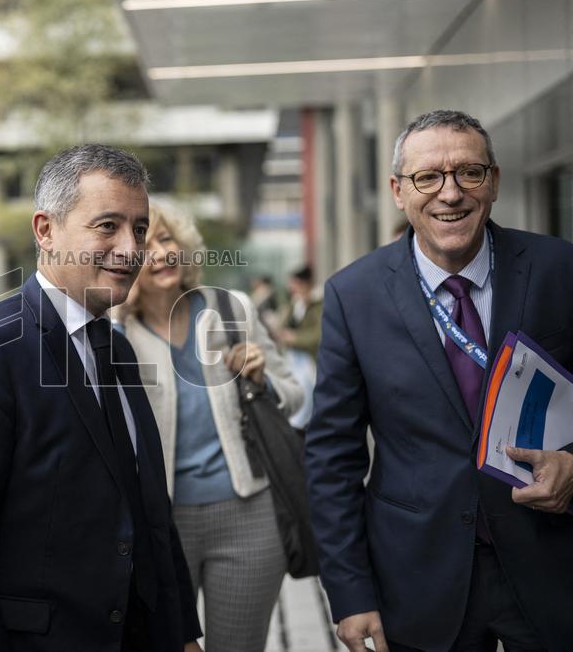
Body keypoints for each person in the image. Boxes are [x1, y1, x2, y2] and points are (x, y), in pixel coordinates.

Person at [0, 144, 203, 652]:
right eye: (107, 226)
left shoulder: (118, 349)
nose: (131, 248)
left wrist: (181, 634)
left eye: (138, 227)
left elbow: (148, 510)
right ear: (46, 230)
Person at [305, 109, 573, 652]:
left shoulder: (559, 269)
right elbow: (333, 457)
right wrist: (351, 593)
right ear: (398, 192)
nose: (450, 193)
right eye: (428, 177)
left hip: (552, 562)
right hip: (418, 576)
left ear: (493, 182)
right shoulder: (352, 296)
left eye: (469, 173)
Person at [113, 203, 303, 652]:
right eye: (146, 245)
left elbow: (295, 394)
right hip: (161, 526)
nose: (160, 253)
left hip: (247, 517)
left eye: (167, 240)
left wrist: (262, 376)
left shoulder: (229, 309)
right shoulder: (114, 333)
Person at [278, 265, 322, 428]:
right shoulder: (295, 305)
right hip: (292, 360)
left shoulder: (319, 304)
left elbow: (318, 335)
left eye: (295, 286)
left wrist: (294, 338)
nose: (292, 290)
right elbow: (281, 327)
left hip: (310, 361)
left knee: (306, 399)